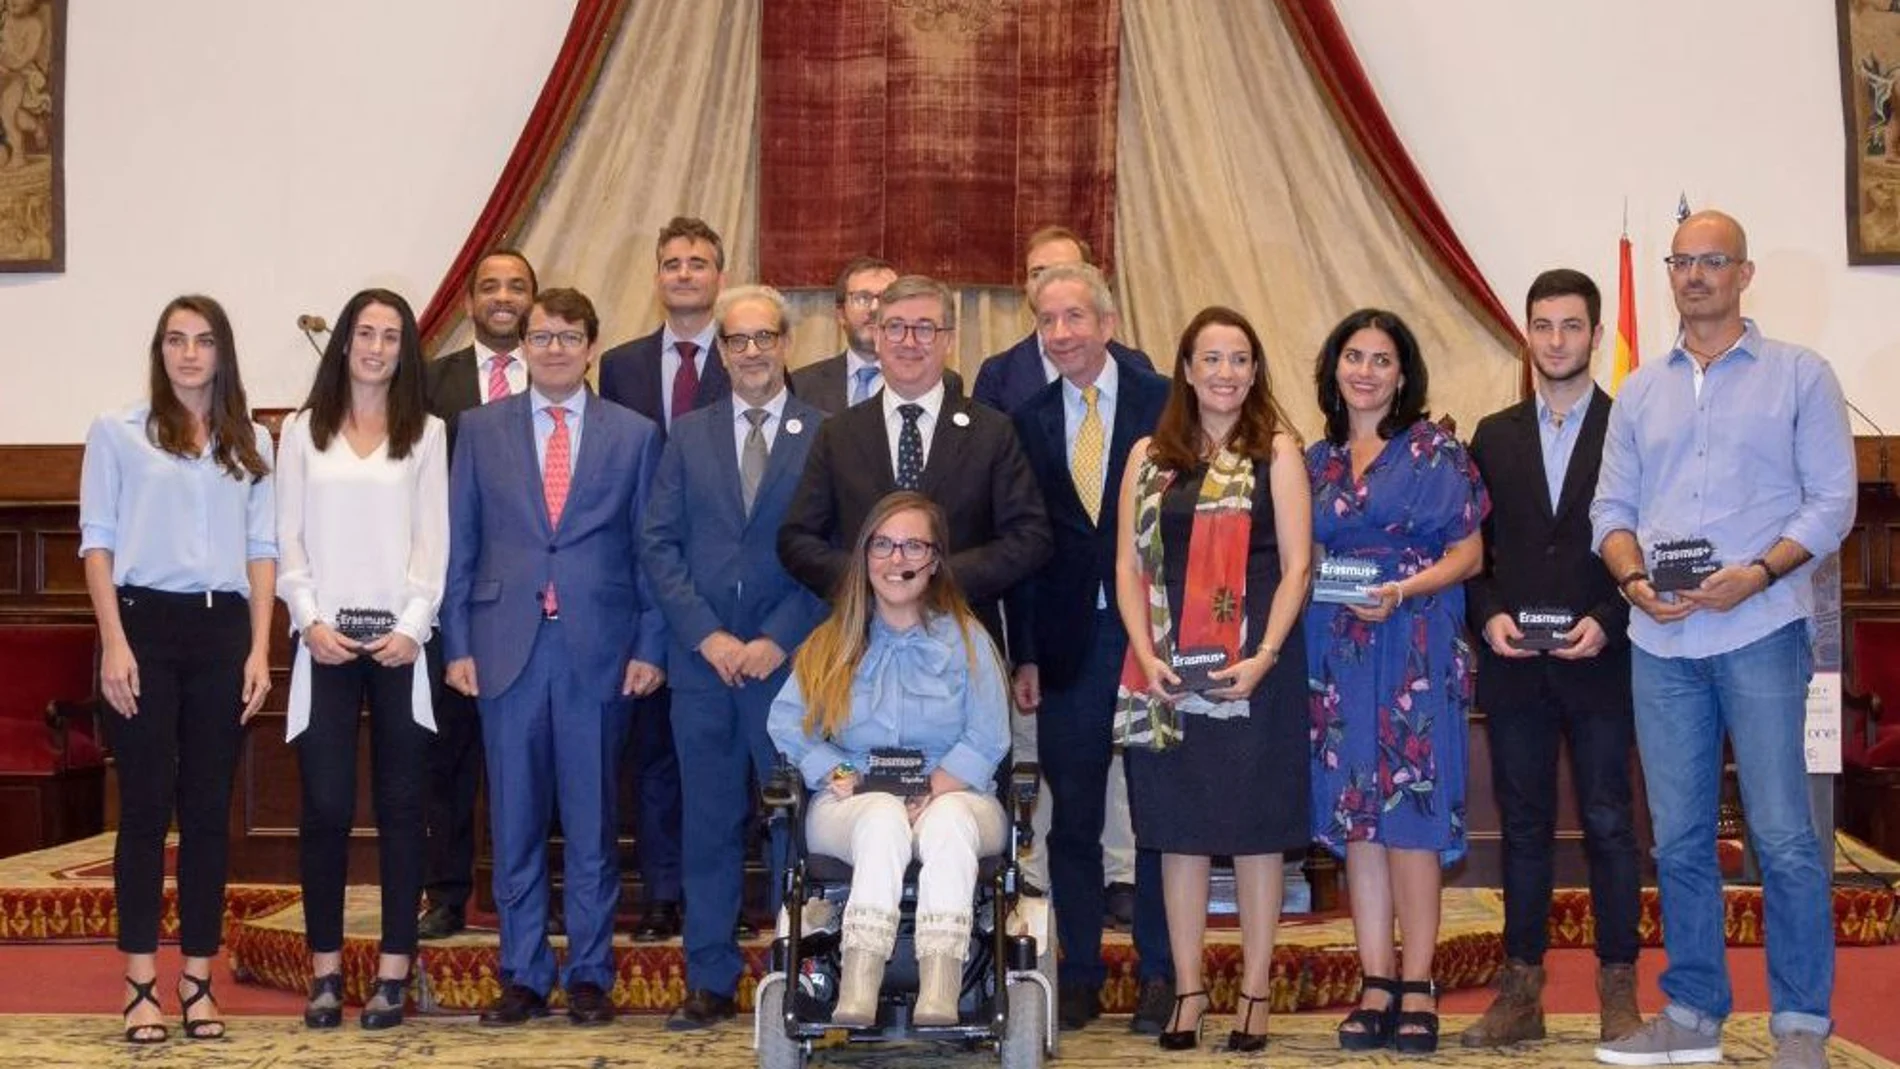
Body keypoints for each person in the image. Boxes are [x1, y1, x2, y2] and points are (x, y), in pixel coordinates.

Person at [1590, 211, 1854, 1069]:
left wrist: (1759, 573)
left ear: (1744, 275)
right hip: (1660, 644)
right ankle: (1695, 1011)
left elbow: (1831, 504)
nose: (1695, 275)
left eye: (1714, 262)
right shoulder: (1638, 390)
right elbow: (1611, 510)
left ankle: (1801, 1025)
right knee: (1678, 839)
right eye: (1683, 262)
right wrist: (1632, 578)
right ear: (1670, 274)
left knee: (1783, 835)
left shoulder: (1800, 377)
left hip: (1760, 630)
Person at [442, 287, 667, 1027]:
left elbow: (649, 552)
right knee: (513, 821)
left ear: (592, 346)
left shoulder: (633, 435)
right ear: (523, 347)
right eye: (542, 337)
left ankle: (592, 972)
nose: (555, 349)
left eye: (570, 337)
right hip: (505, 649)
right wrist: (458, 643)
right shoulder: (479, 429)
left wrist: (650, 644)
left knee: (594, 821)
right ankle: (524, 970)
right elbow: (461, 543)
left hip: (597, 652)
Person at [1112, 306, 1314, 1052]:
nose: (1225, 373)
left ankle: (1255, 992)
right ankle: (1190, 991)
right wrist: (1147, 649)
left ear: (1255, 371)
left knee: (1258, 834)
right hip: (1164, 671)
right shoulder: (1148, 456)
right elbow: (1129, 567)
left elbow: (1298, 565)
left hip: (1255, 669)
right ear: (1187, 370)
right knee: (1180, 832)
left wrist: (1262, 656)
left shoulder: (1278, 451)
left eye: (1239, 359)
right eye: (1211, 359)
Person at [79, 294, 276, 1043]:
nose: (189, 353)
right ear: (159, 351)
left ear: (223, 353)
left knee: (205, 814)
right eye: (175, 340)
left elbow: (262, 551)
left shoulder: (251, 438)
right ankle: (138, 986)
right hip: (142, 628)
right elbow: (96, 542)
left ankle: (197, 979)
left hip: (222, 629)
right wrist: (114, 641)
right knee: (144, 811)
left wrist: (259, 648)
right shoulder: (119, 432)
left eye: (203, 341)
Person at [640, 284, 829, 1029]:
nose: (751, 352)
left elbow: (835, 551)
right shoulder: (689, 434)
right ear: (721, 351)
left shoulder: (824, 433)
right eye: (737, 340)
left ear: (786, 344)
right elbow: (658, 544)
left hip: (791, 667)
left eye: (764, 338)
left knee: (800, 828)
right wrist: (709, 636)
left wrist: (775, 637)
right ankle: (709, 977)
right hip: (705, 669)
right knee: (709, 825)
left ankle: (800, 973)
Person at [1462, 269, 1642, 1048]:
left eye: (1572, 326)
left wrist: (1612, 616)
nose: (1556, 340)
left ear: (1596, 335)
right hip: (1516, 666)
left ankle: (1619, 990)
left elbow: (1652, 540)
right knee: (1526, 825)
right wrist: (1489, 615)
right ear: (1527, 333)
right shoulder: (1492, 434)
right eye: (1543, 325)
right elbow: (1475, 553)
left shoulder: (1632, 426)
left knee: (1608, 822)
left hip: (1604, 659)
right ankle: (1521, 991)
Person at [1305, 308, 1487, 1055]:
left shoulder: (1439, 451)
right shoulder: (1313, 461)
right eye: (1354, 355)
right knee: (1359, 822)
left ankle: (1418, 982)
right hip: (1337, 654)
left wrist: (1404, 591)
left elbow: (1469, 554)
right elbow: (1293, 557)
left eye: (1382, 359)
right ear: (1334, 366)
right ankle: (1374, 978)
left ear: (1402, 373)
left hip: (1414, 648)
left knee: (1410, 818)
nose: (1367, 371)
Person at [1005, 262, 1176, 1035]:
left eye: (1076, 316)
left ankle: (1161, 972)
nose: (1064, 333)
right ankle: (1078, 972)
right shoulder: (1026, 415)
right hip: (1070, 642)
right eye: (1049, 320)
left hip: (1153, 638)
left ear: (1108, 324)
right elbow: (1026, 550)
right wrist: (1027, 654)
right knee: (1071, 813)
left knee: (1156, 808)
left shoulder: (1162, 402)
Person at [767, 491, 1012, 1027]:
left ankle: (942, 986)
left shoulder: (969, 641)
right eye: (883, 545)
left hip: (957, 796)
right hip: (855, 801)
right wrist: (837, 772)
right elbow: (786, 722)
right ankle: (858, 980)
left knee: (948, 821)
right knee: (879, 816)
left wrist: (933, 791)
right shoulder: (831, 642)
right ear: (864, 556)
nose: (896, 559)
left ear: (935, 561)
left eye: (913, 546)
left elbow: (989, 735)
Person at [277, 289, 449, 1030]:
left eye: (390, 336)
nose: (376, 347)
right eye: (365, 333)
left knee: (404, 809)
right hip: (325, 644)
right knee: (323, 807)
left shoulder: (428, 432)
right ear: (344, 342)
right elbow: (288, 540)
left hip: (400, 645)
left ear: (404, 349)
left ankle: (392, 972)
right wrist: (309, 619)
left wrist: (414, 623)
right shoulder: (298, 432)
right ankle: (323, 972)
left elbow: (432, 540)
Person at [778, 274, 1051, 649]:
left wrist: (937, 578)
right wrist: (870, 579)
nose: (908, 342)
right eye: (895, 328)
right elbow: (796, 540)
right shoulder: (837, 433)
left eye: (925, 329)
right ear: (876, 336)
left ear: (949, 340)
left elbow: (1030, 537)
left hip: (964, 640)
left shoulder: (992, 431)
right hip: (860, 641)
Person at [599, 215, 730, 940]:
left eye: (698, 263)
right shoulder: (619, 365)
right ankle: (661, 891)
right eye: (672, 262)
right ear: (657, 276)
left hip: (720, 584)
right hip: (645, 586)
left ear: (719, 275)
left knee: (719, 754)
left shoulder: (745, 357)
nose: (684, 273)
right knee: (652, 753)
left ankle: (725, 887)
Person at [418, 248, 535, 942]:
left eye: (516, 287)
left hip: (535, 600)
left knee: (530, 756)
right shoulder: (434, 385)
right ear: (468, 304)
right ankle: (446, 891)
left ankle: (524, 890)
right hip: (453, 596)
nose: (502, 297)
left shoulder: (564, 376)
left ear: (533, 300)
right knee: (450, 757)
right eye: (489, 286)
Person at [970, 225, 1155, 415]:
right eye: (1038, 274)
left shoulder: (1134, 365)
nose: (1050, 284)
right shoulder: (997, 375)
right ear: (1025, 285)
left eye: (1065, 272)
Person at [789, 256, 898, 414]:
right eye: (862, 298)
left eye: (887, 298)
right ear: (841, 314)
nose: (875, 308)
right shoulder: (799, 386)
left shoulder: (927, 383)